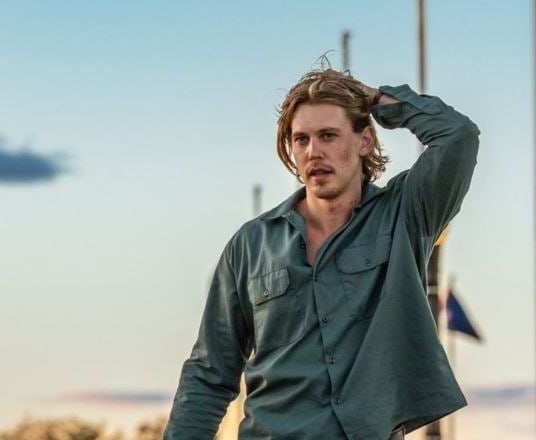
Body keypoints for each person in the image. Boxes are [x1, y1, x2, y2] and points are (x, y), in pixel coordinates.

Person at [165, 68, 480, 439]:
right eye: (301, 139)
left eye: (328, 135)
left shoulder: (404, 215)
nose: (313, 152)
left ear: (365, 141)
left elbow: (457, 135)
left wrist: (375, 98)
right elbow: (209, 374)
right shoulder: (250, 245)